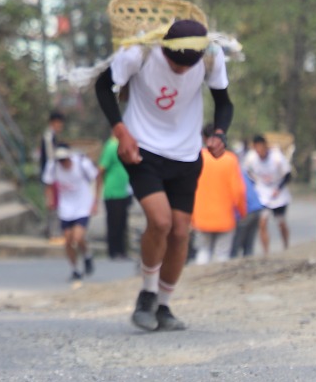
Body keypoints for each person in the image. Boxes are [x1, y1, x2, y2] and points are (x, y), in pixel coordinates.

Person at [94, 18, 234, 333]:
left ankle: (164, 305)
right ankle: (147, 293)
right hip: (142, 149)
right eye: (175, 63)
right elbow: (103, 86)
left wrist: (219, 134)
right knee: (160, 222)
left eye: (188, 65)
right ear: (165, 49)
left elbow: (224, 102)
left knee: (181, 233)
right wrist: (120, 131)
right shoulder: (139, 53)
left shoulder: (211, 56)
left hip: (186, 153)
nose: (181, 70)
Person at [44, 145, 101, 283]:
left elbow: (97, 177)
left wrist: (95, 201)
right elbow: (48, 183)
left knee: (78, 237)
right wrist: (50, 199)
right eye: (60, 160)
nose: (63, 163)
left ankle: (86, 255)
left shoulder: (82, 163)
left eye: (64, 159)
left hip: (83, 205)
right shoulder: (53, 167)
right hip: (66, 207)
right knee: (68, 240)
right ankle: (75, 269)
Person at [191, 126, 245, 263]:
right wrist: (242, 211)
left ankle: (200, 275)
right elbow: (238, 191)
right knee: (222, 254)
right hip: (225, 217)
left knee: (203, 251)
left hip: (201, 217)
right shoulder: (230, 159)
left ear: (203, 138)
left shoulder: (197, 158)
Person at [243, 134, 291, 253]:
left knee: (280, 222)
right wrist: (254, 185)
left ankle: (286, 246)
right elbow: (247, 173)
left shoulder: (277, 157)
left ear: (265, 146)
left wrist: (278, 189)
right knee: (262, 223)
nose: (259, 151)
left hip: (278, 194)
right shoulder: (251, 158)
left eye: (261, 148)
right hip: (263, 194)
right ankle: (266, 252)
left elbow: (288, 175)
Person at [97, 129, 132, 260]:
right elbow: (101, 168)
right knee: (114, 223)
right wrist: (98, 191)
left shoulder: (123, 145)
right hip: (113, 192)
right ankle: (113, 251)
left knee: (122, 223)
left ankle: (122, 251)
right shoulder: (111, 145)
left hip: (124, 191)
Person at [39, 111, 66, 237]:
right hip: (49, 175)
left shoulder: (52, 136)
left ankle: (50, 229)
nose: (60, 126)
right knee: (51, 202)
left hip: (51, 174)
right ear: (53, 123)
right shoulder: (49, 136)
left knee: (53, 203)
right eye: (58, 123)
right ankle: (50, 230)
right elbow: (51, 158)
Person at [230, 159, 264, 258]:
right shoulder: (241, 172)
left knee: (235, 245)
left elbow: (237, 195)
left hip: (246, 210)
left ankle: (233, 264)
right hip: (257, 207)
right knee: (248, 245)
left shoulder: (231, 175)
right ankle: (248, 263)